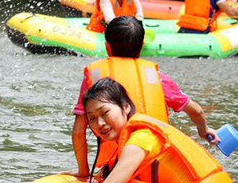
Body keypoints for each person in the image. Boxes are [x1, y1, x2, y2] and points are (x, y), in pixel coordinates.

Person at [69, 16, 219, 180]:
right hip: (153, 166)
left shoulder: (94, 76)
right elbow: (196, 110)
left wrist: (83, 172)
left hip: (120, 162)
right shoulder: (157, 78)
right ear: (141, 46)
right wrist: (204, 130)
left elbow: (78, 131)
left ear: (107, 46)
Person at [81, 78, 232, 183]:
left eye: (105, 113)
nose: (99, 123)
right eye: (92, 118)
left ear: (126, 107)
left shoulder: (140, 139)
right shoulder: (132, 136)